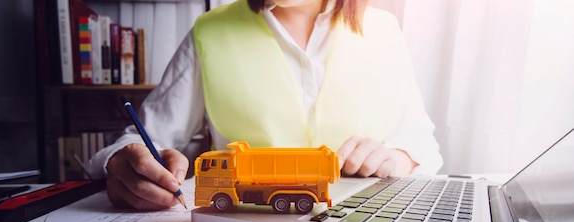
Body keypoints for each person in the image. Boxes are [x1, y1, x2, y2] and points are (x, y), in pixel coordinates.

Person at [88, 0, 444, 210]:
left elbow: (422, 145)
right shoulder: (210, 32)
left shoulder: (384, 29)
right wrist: (120, 162)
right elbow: (139, 140)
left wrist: (399, 157)